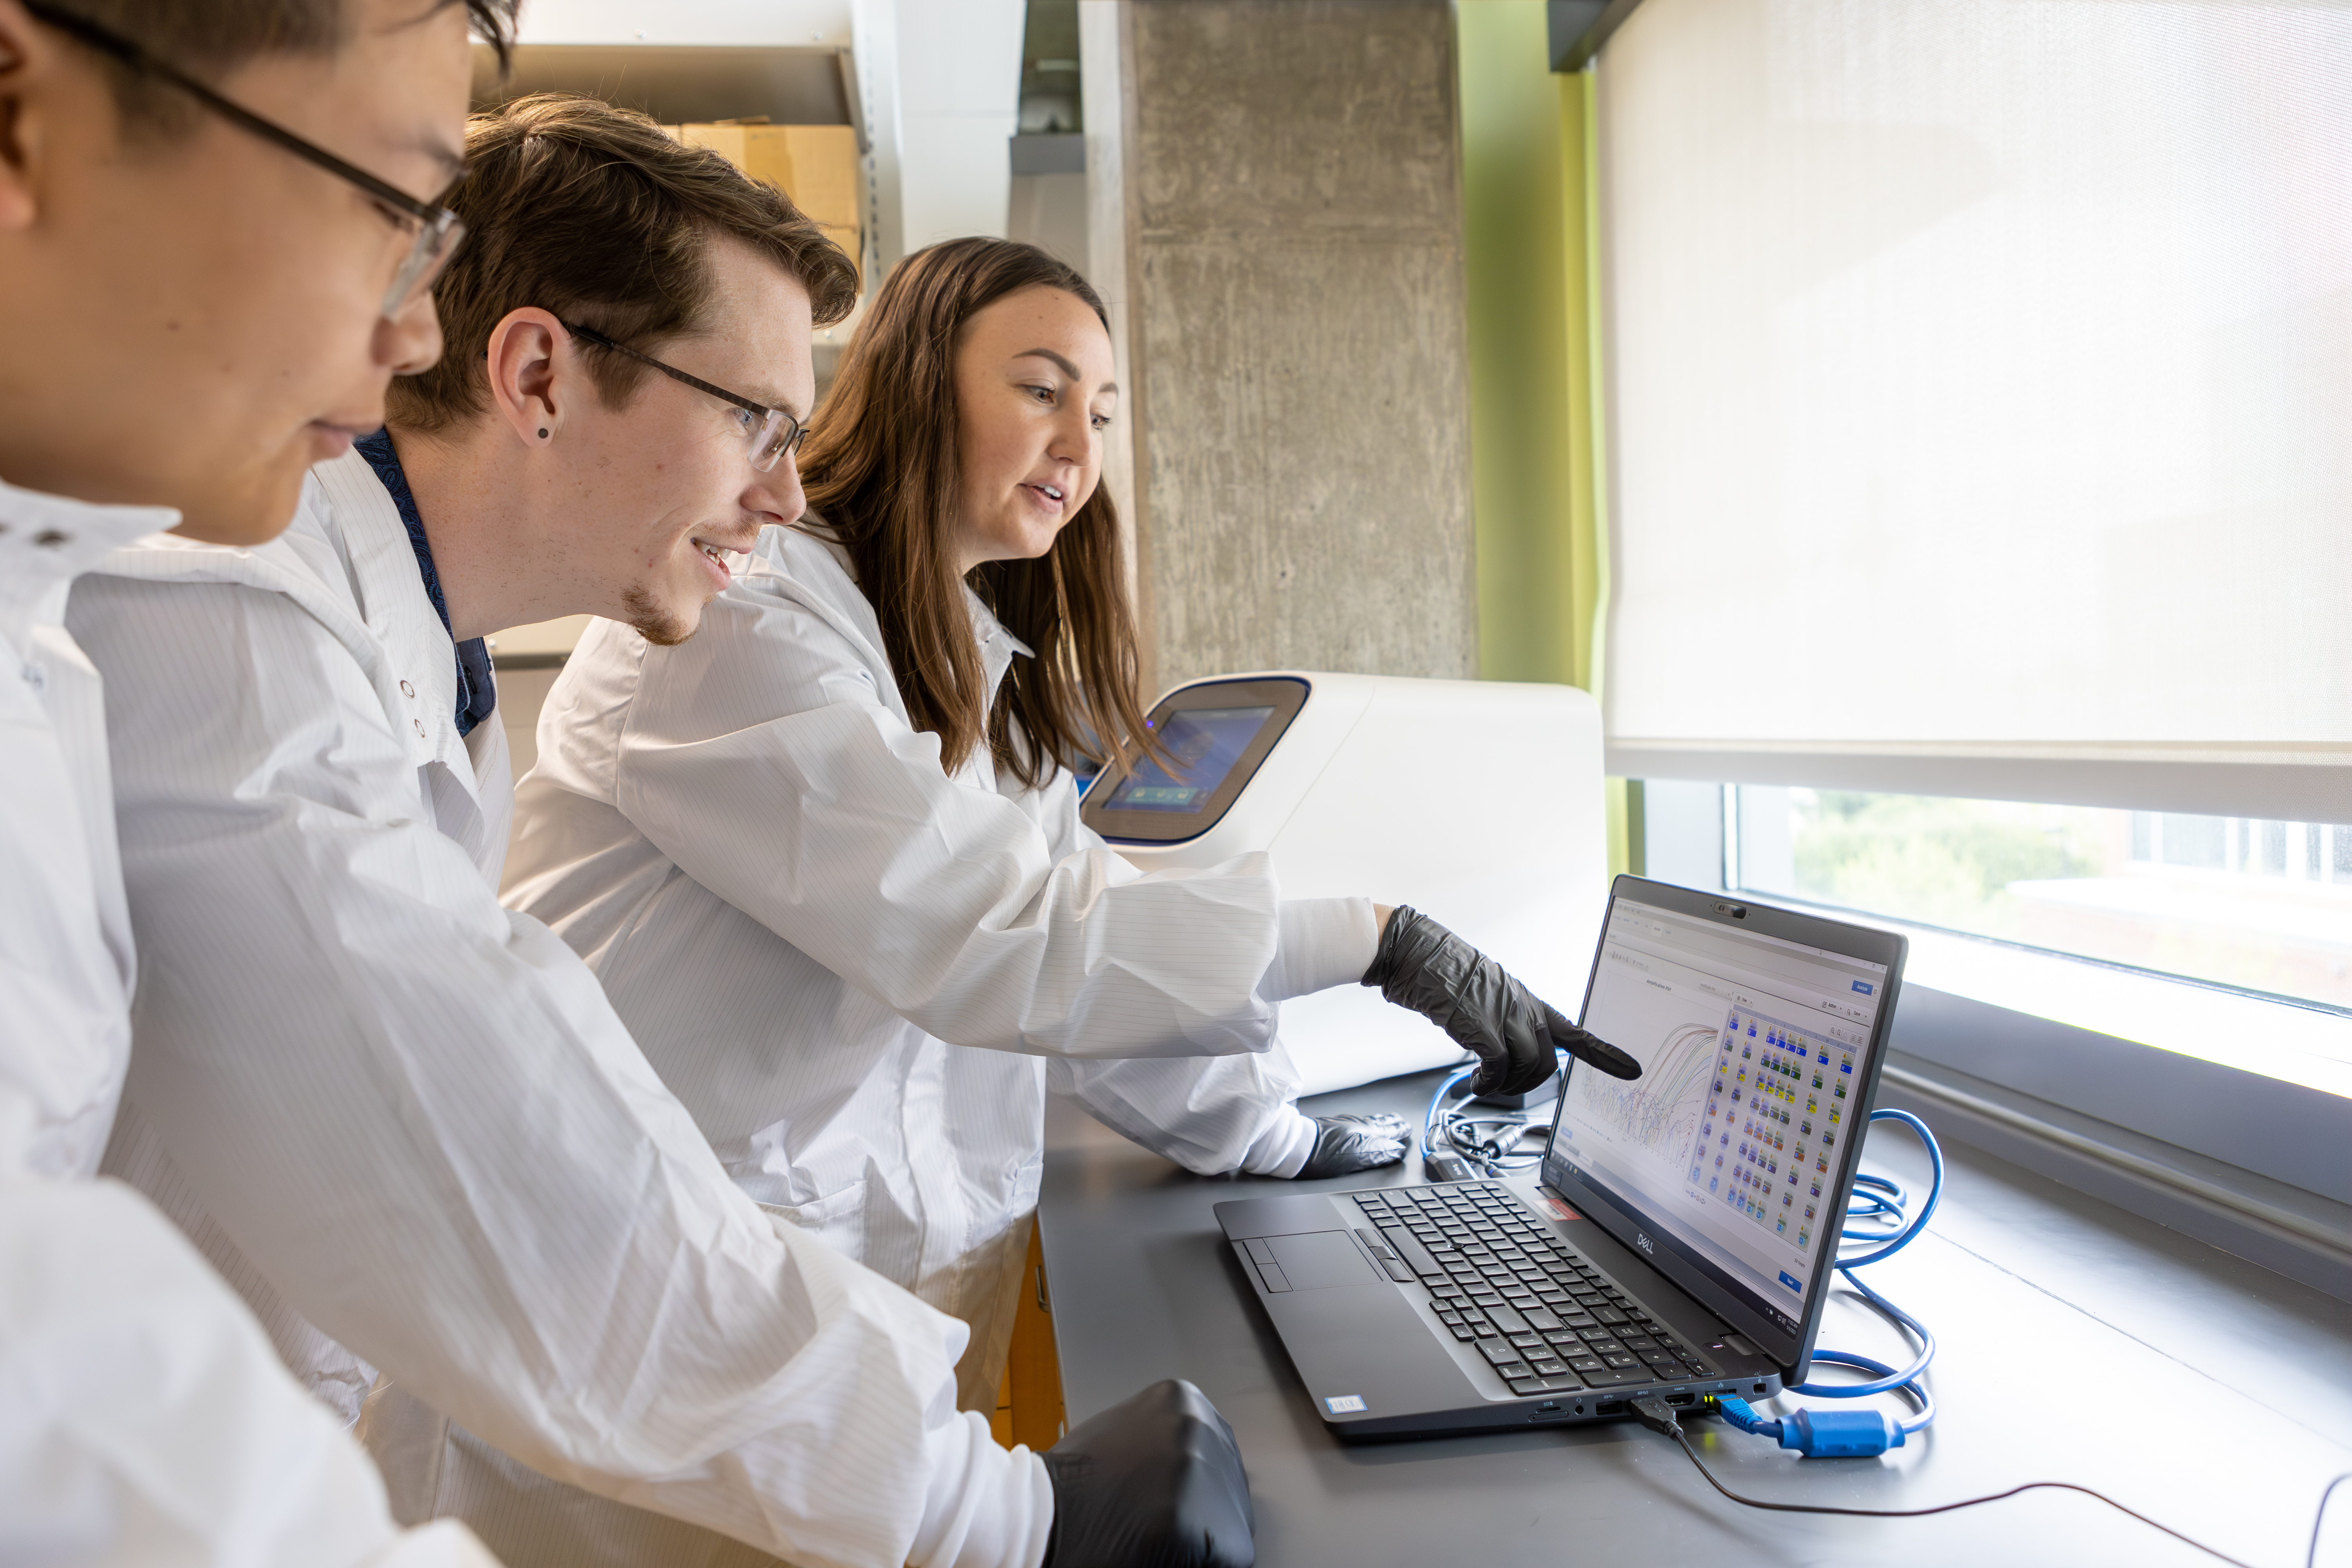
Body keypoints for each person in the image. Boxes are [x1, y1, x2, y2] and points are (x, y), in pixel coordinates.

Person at [67, 93, 1253, 1568]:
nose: (784, 487)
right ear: (538, 374)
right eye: (753, 417)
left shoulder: (420, 676)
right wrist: (993, 1511)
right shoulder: (236, 639)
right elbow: (493, 1149)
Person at [503, 237, 1642, 1410]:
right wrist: (1375, 939)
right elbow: (1004, 939)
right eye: (1040, 390)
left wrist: (1273, 1138)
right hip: (665, 1311)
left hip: (856, 1305)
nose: (1077, 447)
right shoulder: (747, 615)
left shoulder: (958, 648)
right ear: (914, 383)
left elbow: (1085, 947)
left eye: (1099, 414)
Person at [0, 0, 508, 1561]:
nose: (420, 327)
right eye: (393, 208)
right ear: (20, 115)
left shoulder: (46, 635)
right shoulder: (208, 602)